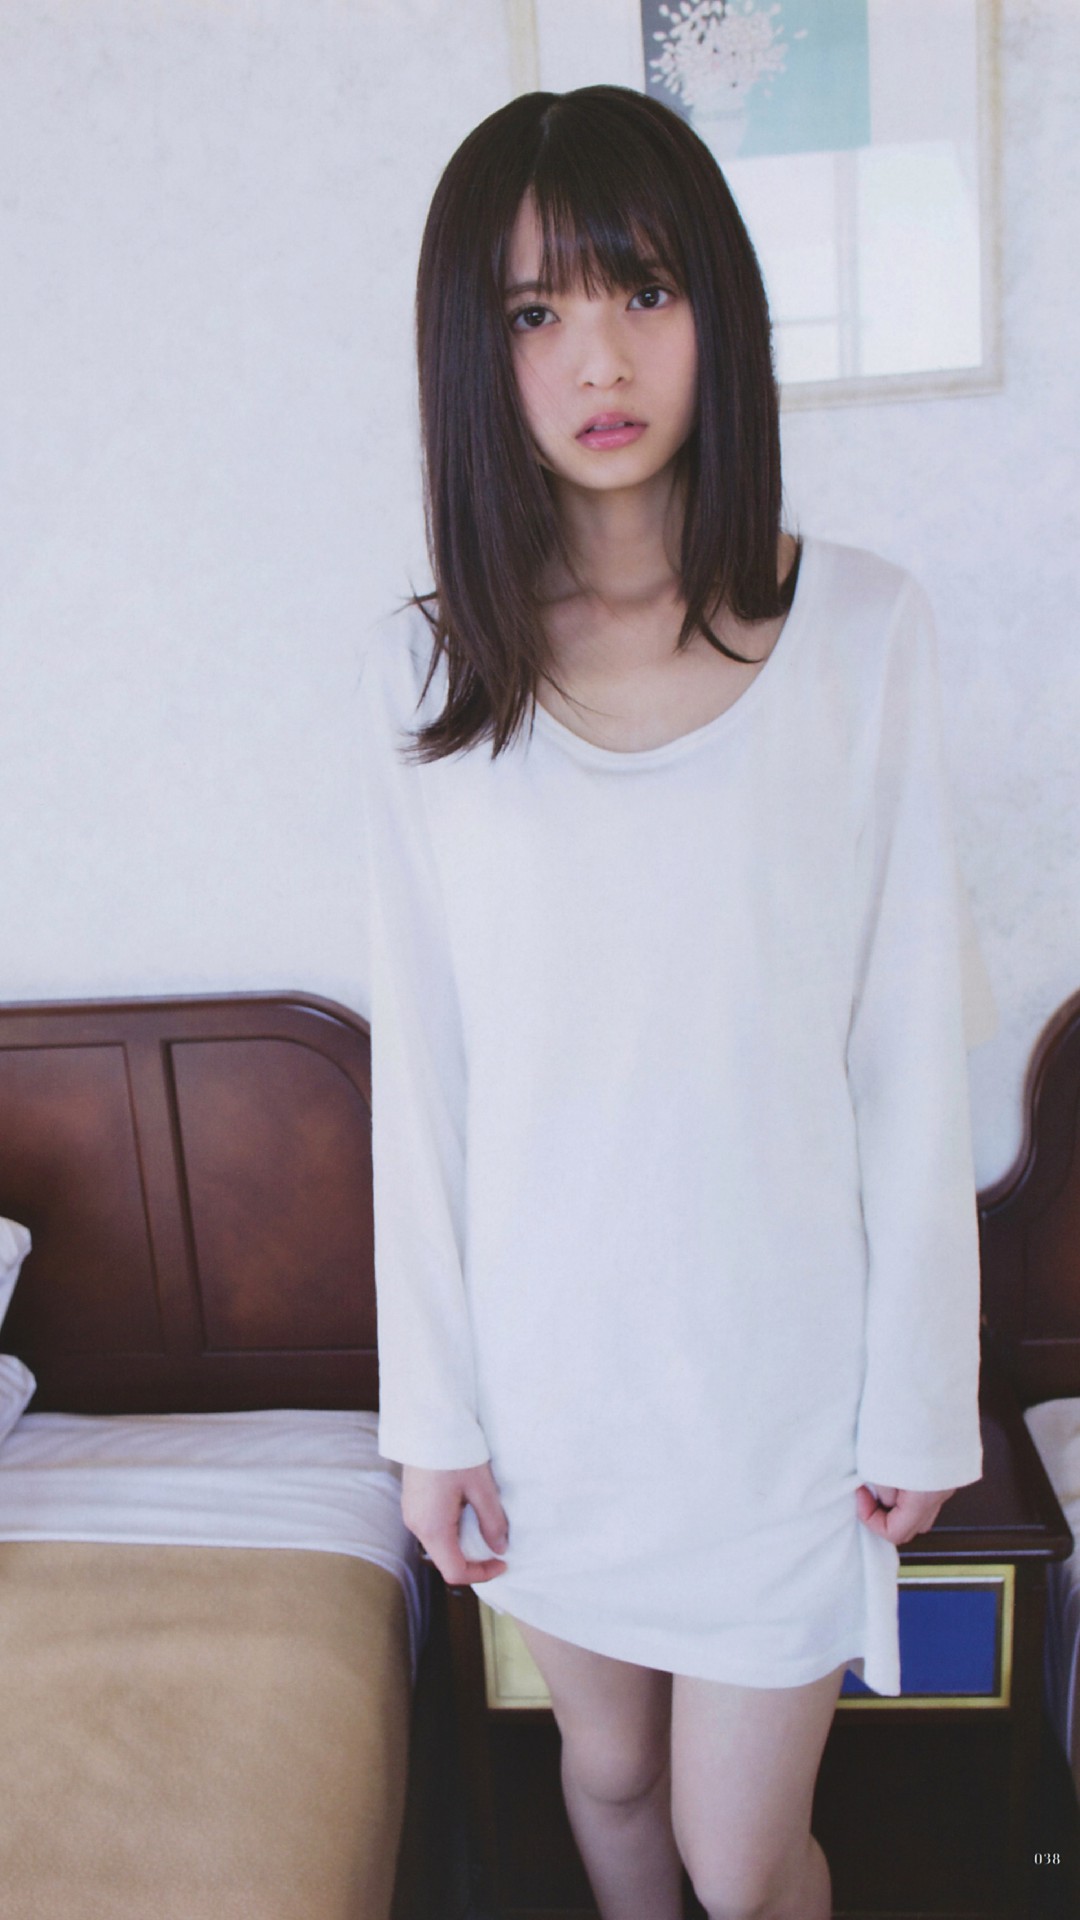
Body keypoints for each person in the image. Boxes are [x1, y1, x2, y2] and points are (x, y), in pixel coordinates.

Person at [357, 85, 985, 1920]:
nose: (601, 357)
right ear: (475, 354)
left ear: (719, 305)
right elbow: (427, 1076)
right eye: (534, 310)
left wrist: (917, 1406)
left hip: (778, 1387)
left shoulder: (862, 630)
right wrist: (434, 1415)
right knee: (611, 1773)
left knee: (738, 1844)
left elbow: (906, 1056)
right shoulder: (427, 677)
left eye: (643, 288)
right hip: (556, 1386)